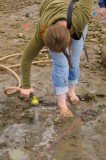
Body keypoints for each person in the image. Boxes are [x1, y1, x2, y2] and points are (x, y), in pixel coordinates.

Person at [20, 0, 93, 117]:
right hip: (50, 8)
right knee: (61, 65)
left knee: (74, 60)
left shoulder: (82, 14)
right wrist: (26, 85)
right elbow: (27, 58)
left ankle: (71, 90)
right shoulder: (42, 31)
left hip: (74, 17)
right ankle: (62, 103)